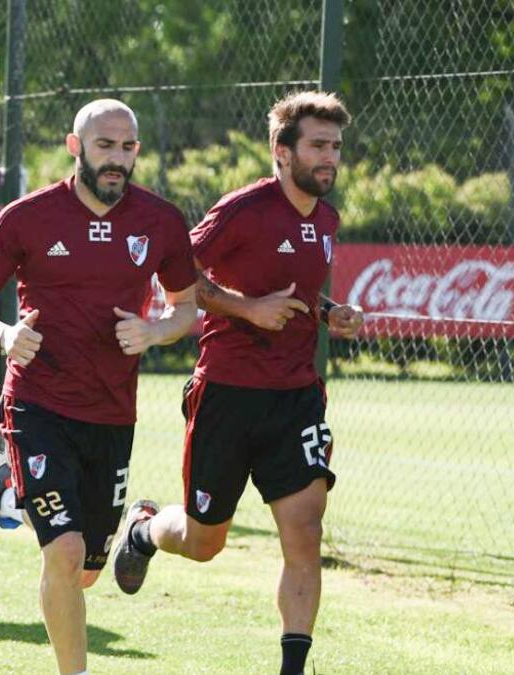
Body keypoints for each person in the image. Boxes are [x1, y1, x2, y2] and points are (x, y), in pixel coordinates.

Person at [111, 90, 364, 675]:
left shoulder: (327, 219)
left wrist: (330, 313)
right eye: (318, 146)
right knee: (204, 543)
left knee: (304, 531)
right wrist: (247, 309)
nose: (330, 157)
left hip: (296, 398)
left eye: (335, 146)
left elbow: (300, 293)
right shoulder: (242, 210)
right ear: (282, 151)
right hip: (226, 395)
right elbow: (178, 279)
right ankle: (145, 530)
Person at [0, 99, 197, 675]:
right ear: (75, 146)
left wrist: (154, 331)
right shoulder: (27, 217)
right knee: (62, 553)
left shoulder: (160, 220)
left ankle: (11, 488)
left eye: (127, 147)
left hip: (111, 412)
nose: (117, 158)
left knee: (86, 571)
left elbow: (185, 306)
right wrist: (5, 334)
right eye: (104, 145)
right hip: (37, 403)